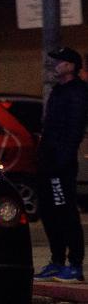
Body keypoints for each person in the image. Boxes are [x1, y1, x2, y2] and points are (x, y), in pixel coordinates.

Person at [36, 47, 88, 281]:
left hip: (60, 164)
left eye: (59, 62)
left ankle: (74, 264)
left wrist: (61, 161)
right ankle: (56, 261)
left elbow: (74, 130)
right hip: (47, 161)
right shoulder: (58, 91)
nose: (55, 65)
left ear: (71, 66)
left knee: (65, 211)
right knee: (48, 212)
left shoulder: (77, 93)